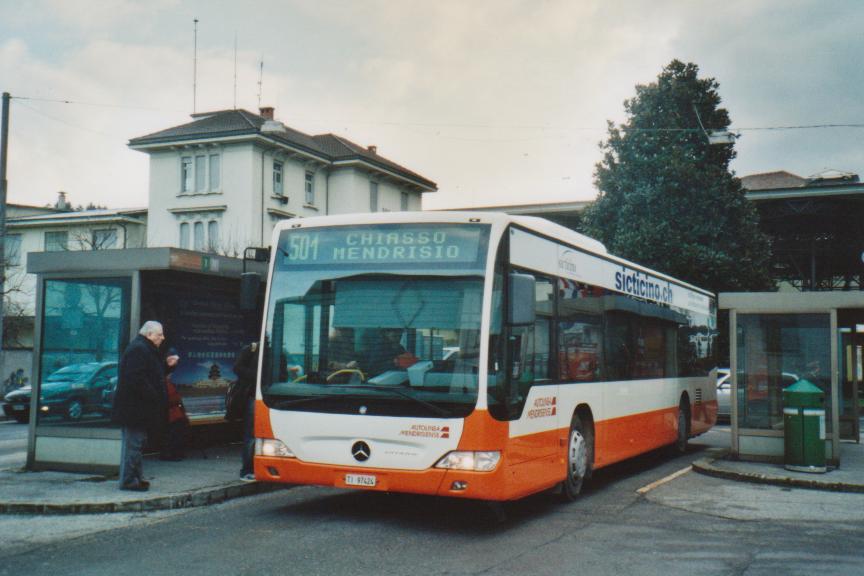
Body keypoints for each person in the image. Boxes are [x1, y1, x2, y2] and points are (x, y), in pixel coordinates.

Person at [112, 321, 167, 492]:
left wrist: (168, 367)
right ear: (149, 334)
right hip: (134, 409)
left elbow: (151, 374)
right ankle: (129, 481)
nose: (163, 338)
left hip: (137, 408)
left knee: (136, 444)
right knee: (133, 445)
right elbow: (136, 379)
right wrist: (154, 396)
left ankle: (135, 478)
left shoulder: (144, 348)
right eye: (160, 335)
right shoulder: (140, 349)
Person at [233, 341, 259, 482]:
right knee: (251, 434)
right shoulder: (252, 348)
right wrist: (258, 377)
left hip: (269, 395)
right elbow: (237, 368)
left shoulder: (278, 349)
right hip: (253, 396)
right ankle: (247, 469)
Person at [160, 349, 189, 462]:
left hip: (174, 409)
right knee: (173, 431)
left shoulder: (167, 374)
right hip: (171, 410)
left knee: (176, 430)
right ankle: (170, 453)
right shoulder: (163, 372)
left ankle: (174, 452)